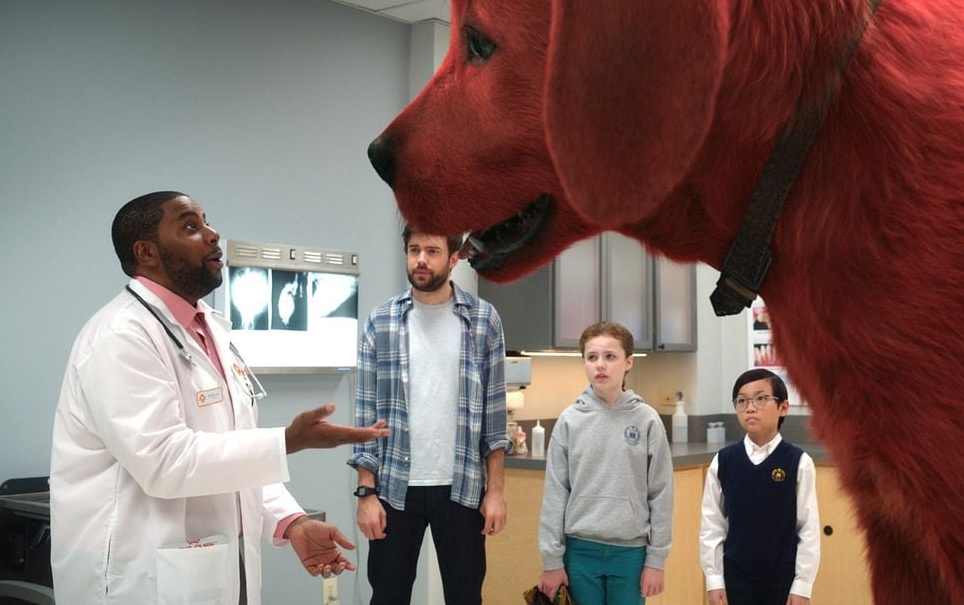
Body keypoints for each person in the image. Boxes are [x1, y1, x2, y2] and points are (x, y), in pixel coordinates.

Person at [50, 191, 390, 605]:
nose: (213, 235)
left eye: (207, 222)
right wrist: (288, 441)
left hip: (214, 571)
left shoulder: (208, 328)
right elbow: (164, 461)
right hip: (137, 578)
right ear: (147, 252)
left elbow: (232, 448)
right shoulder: (121, 336)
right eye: (191, 226)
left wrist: (292, 521)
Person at [349, 226, 509, 605]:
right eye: (414, 249)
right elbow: (365, 418)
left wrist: (497, 491)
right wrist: (366, 494)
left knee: (465, 596)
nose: (421, 259)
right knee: (387, 596)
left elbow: (495, 416)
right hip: (393, 489)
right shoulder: (381, 321)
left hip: (463, 487)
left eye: (432, 251)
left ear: (454, 258)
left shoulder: (483, 319)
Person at [538, 321, 674, 604]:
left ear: (628, 362)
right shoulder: (569, 421)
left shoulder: (647, 420)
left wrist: (656, 560)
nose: (600, 365)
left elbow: (661, 494)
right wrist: (552, 560)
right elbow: (555, 493)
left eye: (610, 357)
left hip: (631, 553)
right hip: (579, 552)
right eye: (592, 357)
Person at [699, 369, 820, 605]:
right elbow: (712, 526)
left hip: (782, 582)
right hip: (735, 580)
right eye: (742, 401)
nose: (750, 407)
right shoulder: (723, 461)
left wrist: (803, 585)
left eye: (760, 398)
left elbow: (808, 529)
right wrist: (714, 580)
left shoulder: (799, 462)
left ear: (783, 408)